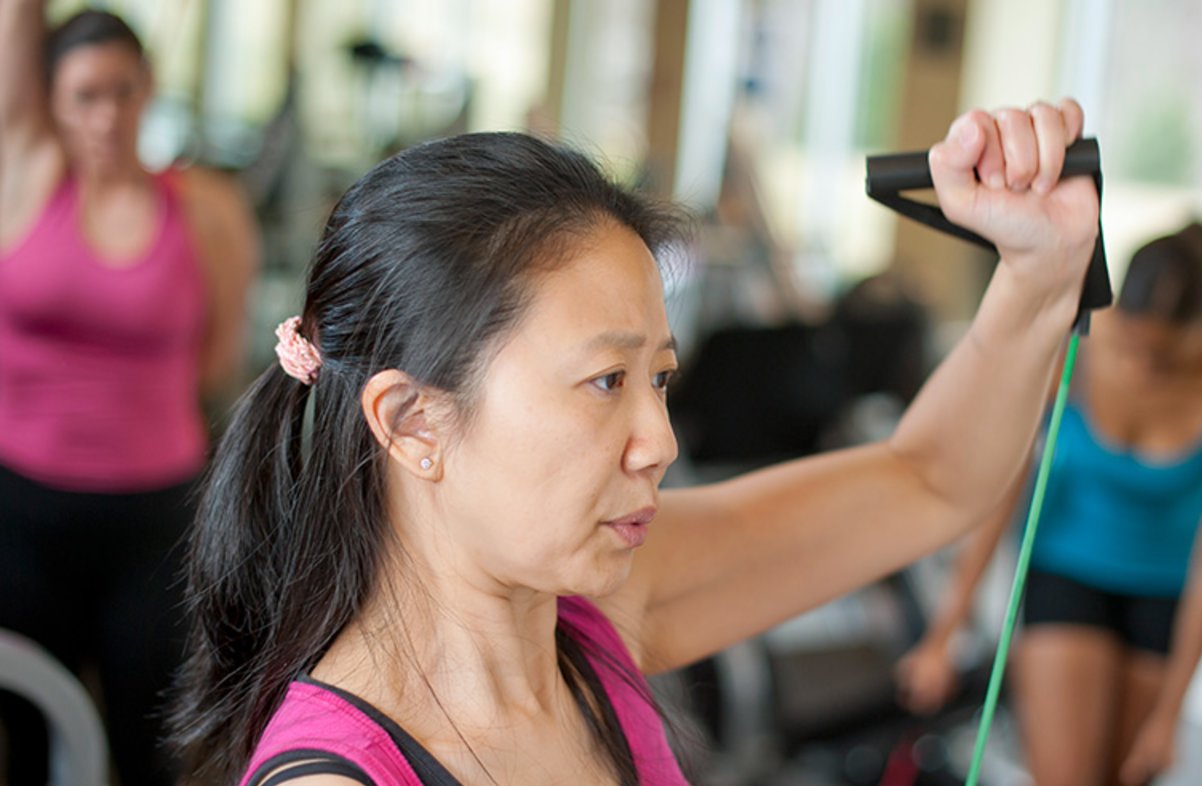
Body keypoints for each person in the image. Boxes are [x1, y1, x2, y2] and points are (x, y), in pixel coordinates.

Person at [172, 99, 1099, 786]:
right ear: (414, 420)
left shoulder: (592, 619)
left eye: (657, 378)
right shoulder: (347, 778)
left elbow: (930, 481)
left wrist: (1040, 273)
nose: (656, 440)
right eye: (606, 382)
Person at [895, 221, 1202, 786]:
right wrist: (944, 631)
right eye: (1133, 344)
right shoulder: (1073, 353)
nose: (1143, 367)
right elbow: (1001, 499)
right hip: (1067, 575)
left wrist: (1170, 717)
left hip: (1165, 594)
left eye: (1164, 356)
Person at [0, 3, 259, 784]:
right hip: (22, 509)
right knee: (27, 725)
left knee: (146, 740)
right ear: (50, 102)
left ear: (148, 92)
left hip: (152, 517)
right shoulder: (25, 178)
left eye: (123, 91)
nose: (107, 114)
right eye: (85, 95)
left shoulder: (206, 209)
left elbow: (218, 363)